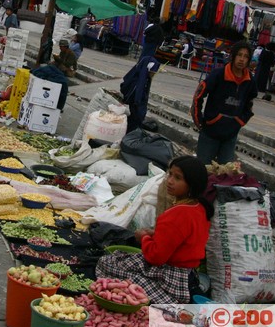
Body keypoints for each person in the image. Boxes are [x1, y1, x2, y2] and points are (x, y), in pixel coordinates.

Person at [96, 155, 212, 304]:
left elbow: (156, 257)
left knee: (106, 263)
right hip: (189, 274)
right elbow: (182, 240)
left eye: (178, 178)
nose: (170, 181)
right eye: (170, 174)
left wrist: (143, 238)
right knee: (122, 259)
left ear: (192, 184)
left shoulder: (176, 215)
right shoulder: (200, 207)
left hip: (172, 276)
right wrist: (156, 234)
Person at [191, 41, 257, 164]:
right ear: (233, 56)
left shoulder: (250, 81)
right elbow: (198, 96)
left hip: (230, 135)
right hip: (210, 132)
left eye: (246, 56)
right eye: (239, 55)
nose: (242, 59)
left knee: (226, 174)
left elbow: (250, 104)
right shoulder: (218, 74)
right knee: (202, 169)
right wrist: (199, 121)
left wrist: (240, 121)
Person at [120, 56, 160, 132]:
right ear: (148, 69)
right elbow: (135, 92)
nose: (153, 75)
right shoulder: (138, 81)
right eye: (152, 72)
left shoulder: (145, 78)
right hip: (136, 102)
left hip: (138, 102)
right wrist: (137, 102)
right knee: (136, 118)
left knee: (136, 119)